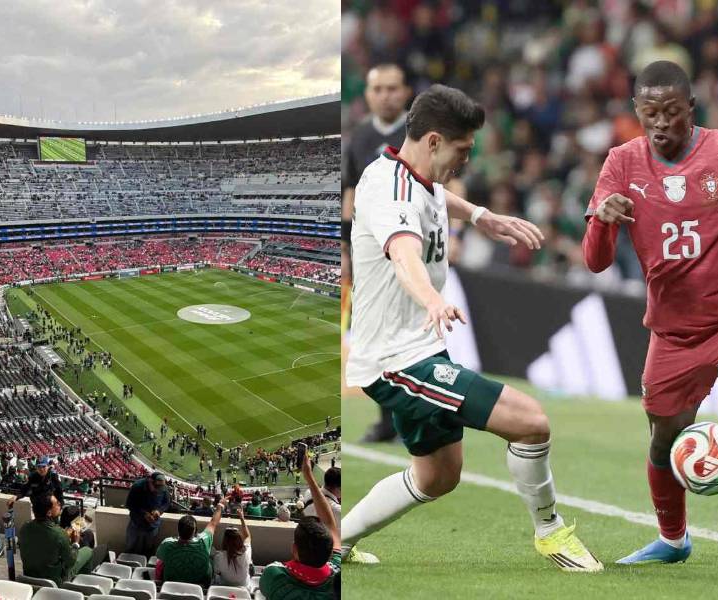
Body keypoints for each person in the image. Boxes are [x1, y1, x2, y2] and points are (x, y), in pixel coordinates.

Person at [342, 84, 601, 572]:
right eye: (463, 149)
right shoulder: (387, 188)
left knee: (438, 475)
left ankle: (340, 541)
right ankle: (551, 533)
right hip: (397, 359)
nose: (467, 160)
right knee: (530, 422)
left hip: (418, 350)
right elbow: (403, 253)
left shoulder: (412, 175)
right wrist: (434, 298)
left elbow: (436, 196)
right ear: (435, 140)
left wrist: (483, 216)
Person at [582, 60, 718, 564]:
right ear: (637, 113)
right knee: (663, 444)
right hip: (673, 332)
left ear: (690, 109)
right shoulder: (622, 163)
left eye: (672, 111)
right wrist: (603, 221)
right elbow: (596, 263)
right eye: (651, 113)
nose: (662, 122)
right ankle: (673, 541)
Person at [343, 63, 412, 443]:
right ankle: (387, 418)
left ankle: (410, 418)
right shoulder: (359, 137)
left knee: (409, 334)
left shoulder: (418, 133)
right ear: (368, 95)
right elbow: (350, 192)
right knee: (378, 337)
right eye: (378, 89)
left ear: (404, 92)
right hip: (371, 253)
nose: (385, 95)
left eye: (392, 88)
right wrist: (345, 247)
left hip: (410, 246)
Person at [259, 449, 340, 599]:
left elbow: (329, 525)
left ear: (294, 549)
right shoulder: (338, 576)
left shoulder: (274, 576)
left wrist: (308, 476)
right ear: (330, 553)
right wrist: (309, 477)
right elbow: (330, 524)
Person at [19, 493, 94, 585]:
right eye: (57, 504)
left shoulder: (24, 528)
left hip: (29, 577)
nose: (60, 505)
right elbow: (71, 561)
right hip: (54, 581)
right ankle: (83, 585)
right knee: (88, 551)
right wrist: (75, 543)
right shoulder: (59, 534)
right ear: (49, 512)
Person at [155, 500, 225, 586]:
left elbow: (159, 558)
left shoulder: (167, 544)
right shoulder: (203, 542)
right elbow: (213, 523)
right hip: (200, 585)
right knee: (211, 554)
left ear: (178, 530)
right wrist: (220, 506)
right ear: (195, 532)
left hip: (171, 585)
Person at [125, 472, 170, 557]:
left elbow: (166, 503)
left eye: (160, 488)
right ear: (150, 481)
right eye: (156, 487)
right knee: (130, 549)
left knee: (148, 551)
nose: (158, 490)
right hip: (136, 525)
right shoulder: (137, 486)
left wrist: (159, 511)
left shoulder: (163, 488)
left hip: (152, 527)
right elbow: (129, 504)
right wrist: (144, 514)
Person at [213, 506, 251, 586]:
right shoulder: (246, 553)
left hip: (224, 587)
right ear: (239, 540)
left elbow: (217, 571)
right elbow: (248, 536)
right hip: (244, 587)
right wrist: (242, 518)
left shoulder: (219, 557)